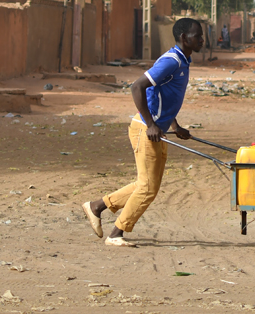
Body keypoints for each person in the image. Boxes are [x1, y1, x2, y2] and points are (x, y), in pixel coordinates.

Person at [82, 18, 203, 247]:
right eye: (198, 36)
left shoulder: (183, 61)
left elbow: (164, 96)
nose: (202, 40)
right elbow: (137, 87)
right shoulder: (171, 62)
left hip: (158, 130)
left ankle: (96, 206)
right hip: (146, 130)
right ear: (184, 38)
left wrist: (175, 126)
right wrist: (151, 125)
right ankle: (116, 233)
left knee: (146, 185)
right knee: (147, 188)